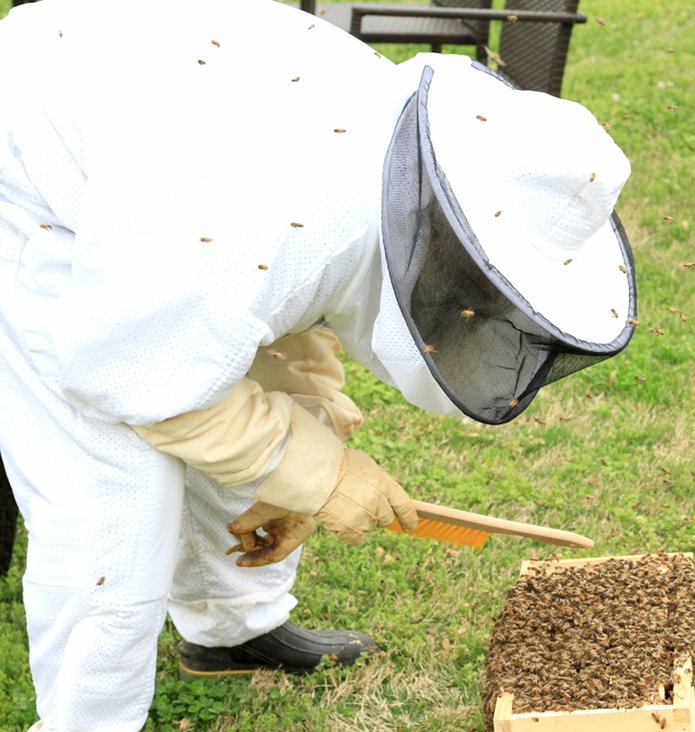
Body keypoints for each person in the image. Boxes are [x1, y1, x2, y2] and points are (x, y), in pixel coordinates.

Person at [0, 0, 637, 729]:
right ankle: (88, 719)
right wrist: (322, 474)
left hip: (148, 152)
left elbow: (269, 311)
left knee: (215, 382)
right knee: (116, 487)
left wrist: (296, 466)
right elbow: (140, 376)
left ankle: (232, 629)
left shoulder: (345, 183)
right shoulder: (264, 205)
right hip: (29, 173)